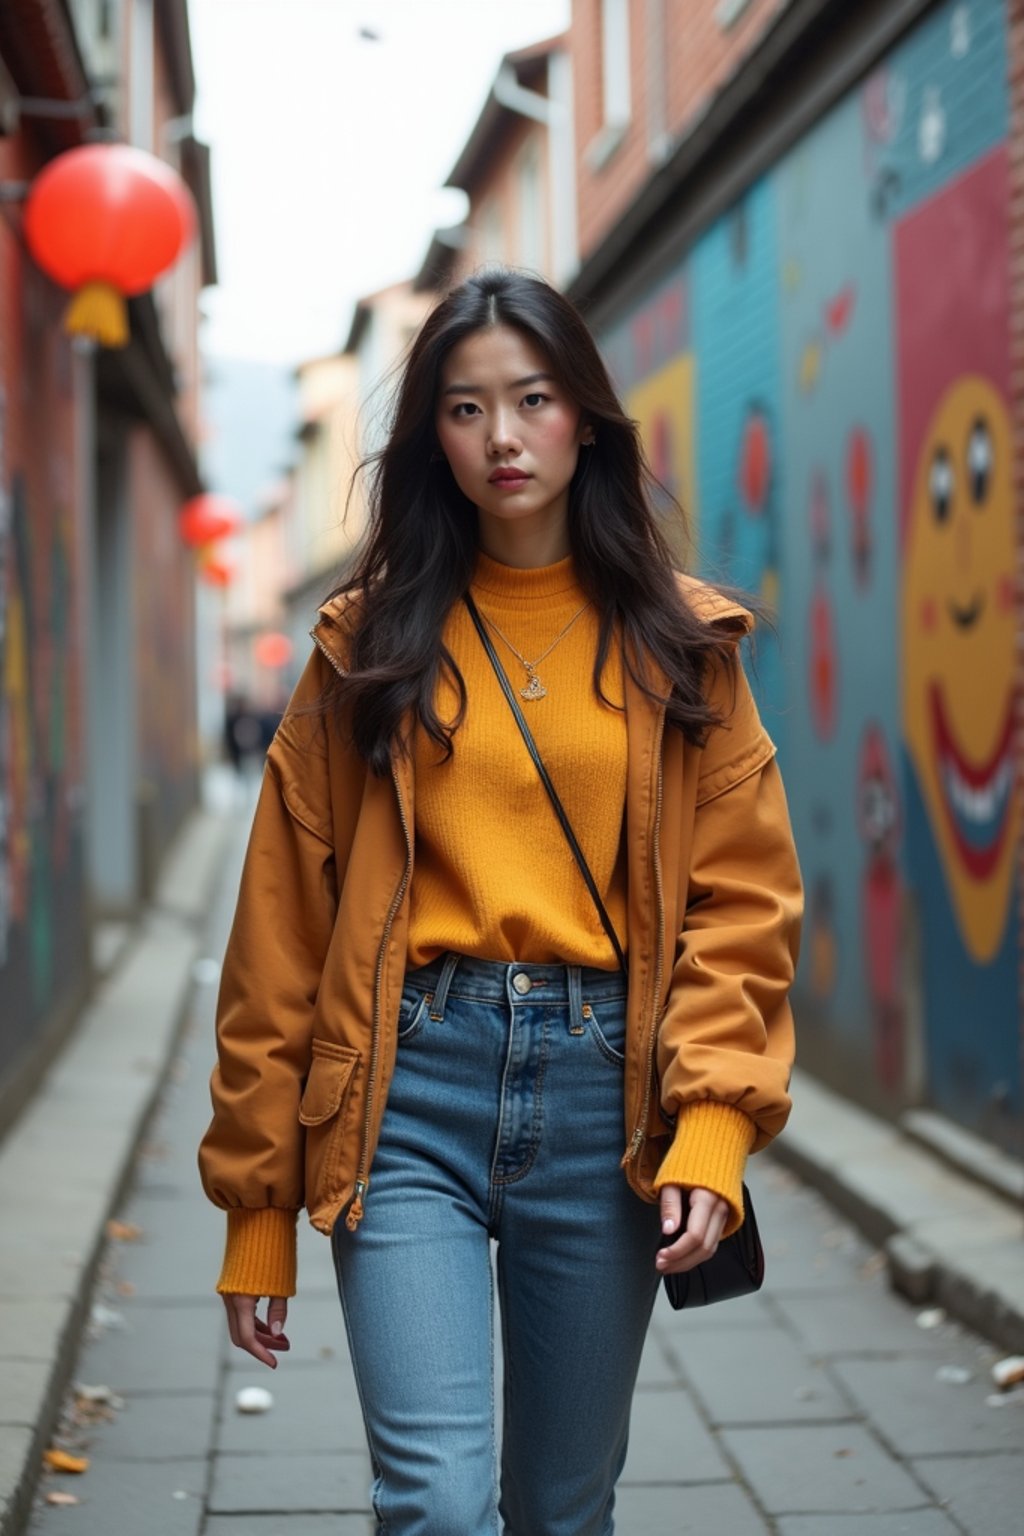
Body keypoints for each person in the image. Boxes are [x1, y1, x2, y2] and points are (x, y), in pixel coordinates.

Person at [198, 268, 803, 1535]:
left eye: (532, 399)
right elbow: (278, 939)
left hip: (601, 1094)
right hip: (406, 1085)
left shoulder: (685, 648)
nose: (503, 437)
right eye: (466, 410)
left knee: (563, 1505)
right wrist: (259, 1206)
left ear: (585, 416)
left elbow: (740, 905)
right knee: (431, 1498)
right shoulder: (361, 649)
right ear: (436, 439)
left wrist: (713, 1127)